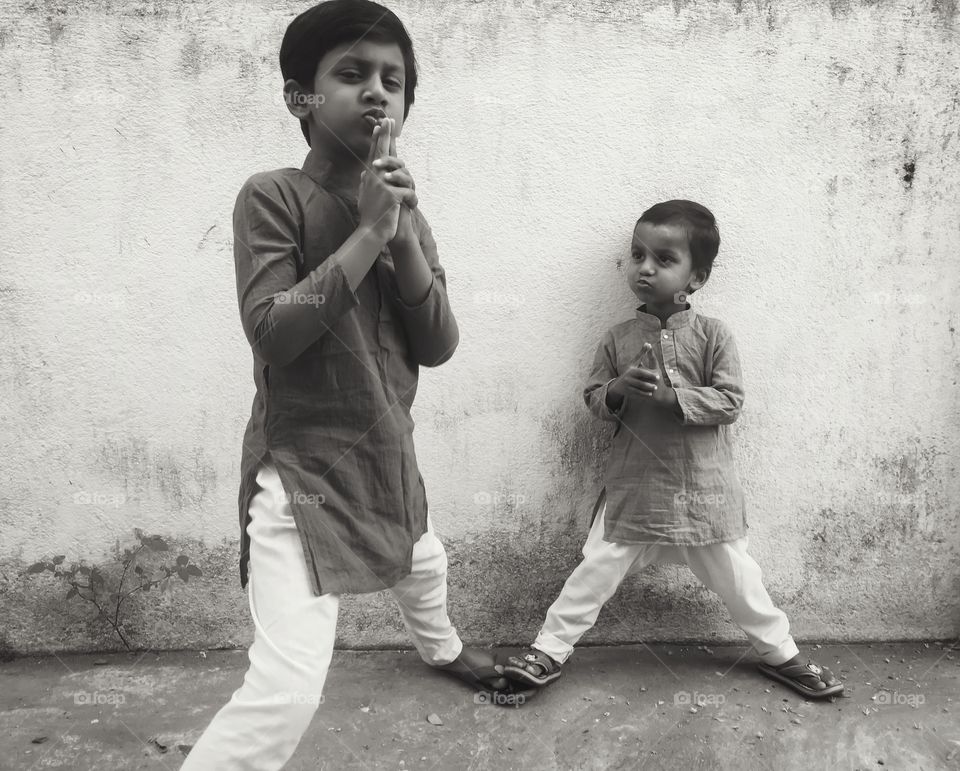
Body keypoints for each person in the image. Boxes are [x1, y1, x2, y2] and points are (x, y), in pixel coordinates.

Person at [182, 2, 513, 767]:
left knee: (424, 561)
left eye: (392, 81)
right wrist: (365, 233)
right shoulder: (272, 196)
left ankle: (442, 650)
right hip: (303, 474)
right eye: (352, 73)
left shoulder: (406, 215)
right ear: (301, 97)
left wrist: (400, 241)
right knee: (288, 690)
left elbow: (438, 346)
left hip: (386, 455)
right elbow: (274, 330)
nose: (376, 91)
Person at [503, 200, 844, 701]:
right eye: (638, 254)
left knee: (741, 579)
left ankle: (783, 655)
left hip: (702, 491)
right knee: (594, 569)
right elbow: (595, 401)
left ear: (696, 277)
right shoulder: (617, 339)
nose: (645, 267)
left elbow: (730, 401)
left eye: (664, 259)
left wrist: (670, 397)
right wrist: (619, 389)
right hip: (635, 488)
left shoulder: (712, 336)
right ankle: (548, 651)